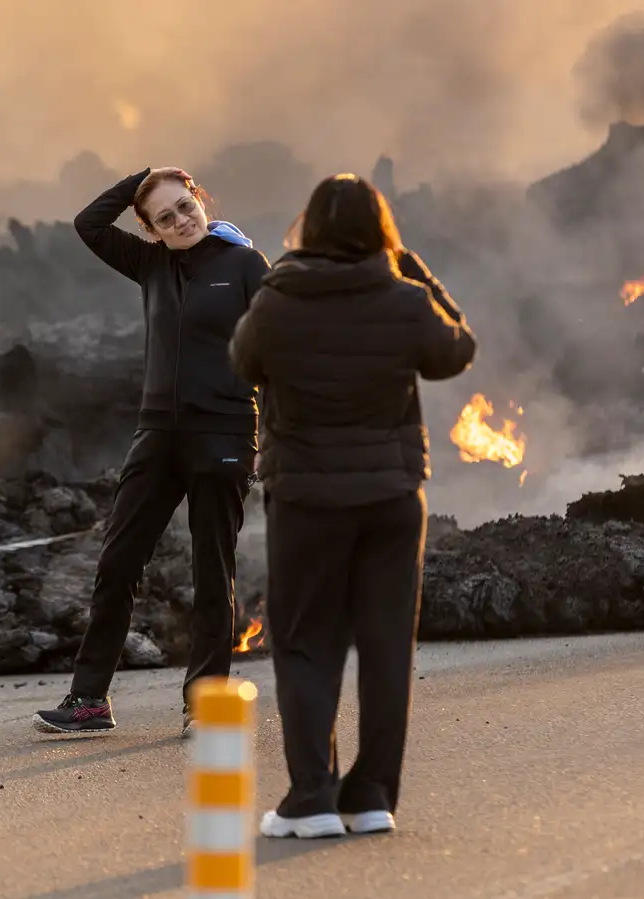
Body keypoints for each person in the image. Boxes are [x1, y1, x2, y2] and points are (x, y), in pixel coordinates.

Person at [228, 173, 475, 839]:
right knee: (387, 645)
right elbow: (457, 351)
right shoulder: (402, 297)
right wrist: (419, 274)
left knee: (307, 643)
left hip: (307, 497)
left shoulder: (278, 299)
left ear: (309, 226)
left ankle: (312, 796)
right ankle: (370, 796)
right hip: (392, 498)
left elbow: (242, 362)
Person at [33, 167, 270, 738]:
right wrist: (143, 176)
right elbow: (88, 223)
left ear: (199, 199)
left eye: (186, 206)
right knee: (118, 564)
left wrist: (276, 435)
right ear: (151, 230)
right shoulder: (150, 264)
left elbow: (276, 350)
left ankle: (206, 706)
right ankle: (89, 701)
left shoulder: (246, 266)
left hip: (224, 435)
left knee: (212, 571)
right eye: (165, 218)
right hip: (157, 437)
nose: (181, 220)